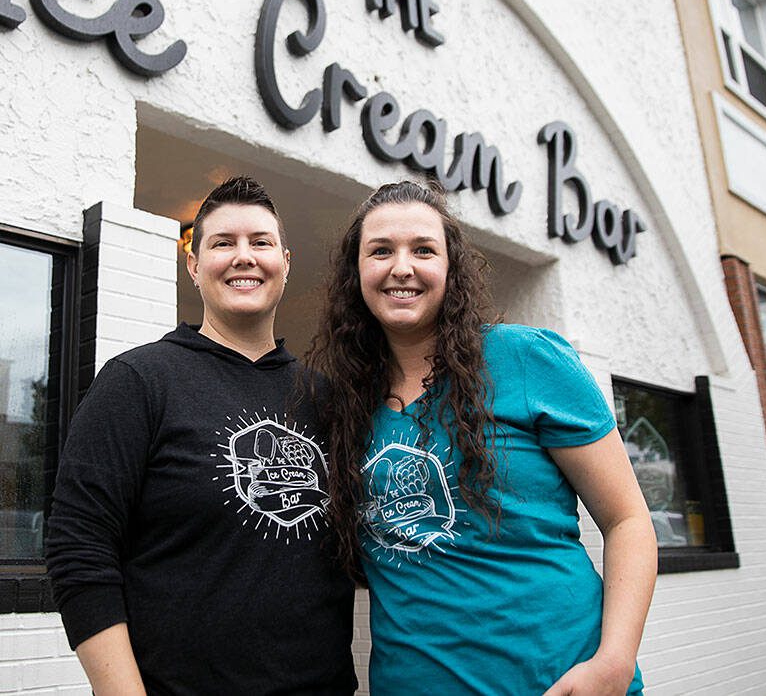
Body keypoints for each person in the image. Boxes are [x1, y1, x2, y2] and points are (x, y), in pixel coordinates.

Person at [308, 180, 656, 695]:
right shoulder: (345, 409)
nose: (401, 267)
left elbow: (627, 519)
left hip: (562, 682)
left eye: (423, 250)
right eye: (380, 251)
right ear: (356, 272)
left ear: (451, 267)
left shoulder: (524, 359)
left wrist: (615, 661)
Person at [45, 176, 357, 696]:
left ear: (285, 262)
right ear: (194, 265)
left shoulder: (328, 400)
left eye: (260, 242)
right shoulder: (139, 381)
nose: (244, 257)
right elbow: (79, 549)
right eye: (222, 243)